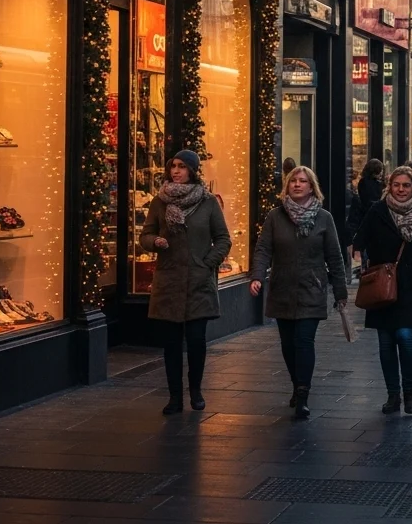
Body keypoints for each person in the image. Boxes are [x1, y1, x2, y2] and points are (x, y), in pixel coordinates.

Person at [250, 165, 348, 419]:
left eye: (303, 181)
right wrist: (258, 276)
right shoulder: (275, 216)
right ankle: (296, 384)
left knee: (304, 341)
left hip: (311, 288)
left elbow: (334, 257)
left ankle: (303, 393)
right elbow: (263, 249)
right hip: (282, 288)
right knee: (287, 344)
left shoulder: (324, 218)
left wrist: (340, 291)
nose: (297, 185)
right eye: (293, 181)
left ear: (311, 187)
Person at [141, 150, 231, 415]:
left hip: (198, 281)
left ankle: (196, 391)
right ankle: (175, 397)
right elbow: (146, 234)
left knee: (196, 340)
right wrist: (154, 242)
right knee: (171, 343)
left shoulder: (207, 202)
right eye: (173, 166)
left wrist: (207, 262)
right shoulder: (159, 202)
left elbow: (223, 238)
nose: (176, 171)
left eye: (182, 167)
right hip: (169, 280)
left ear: (192, 170)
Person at [353, 166, 412, 415]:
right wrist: (363, 259)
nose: (401, 190)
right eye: (396, 185)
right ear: (389, 186)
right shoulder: (377, 211)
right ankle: (393, 395)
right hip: (382, 287)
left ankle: (409, 393)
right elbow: (360, 240)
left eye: (406, 185)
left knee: (405, 337)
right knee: (386, 341)